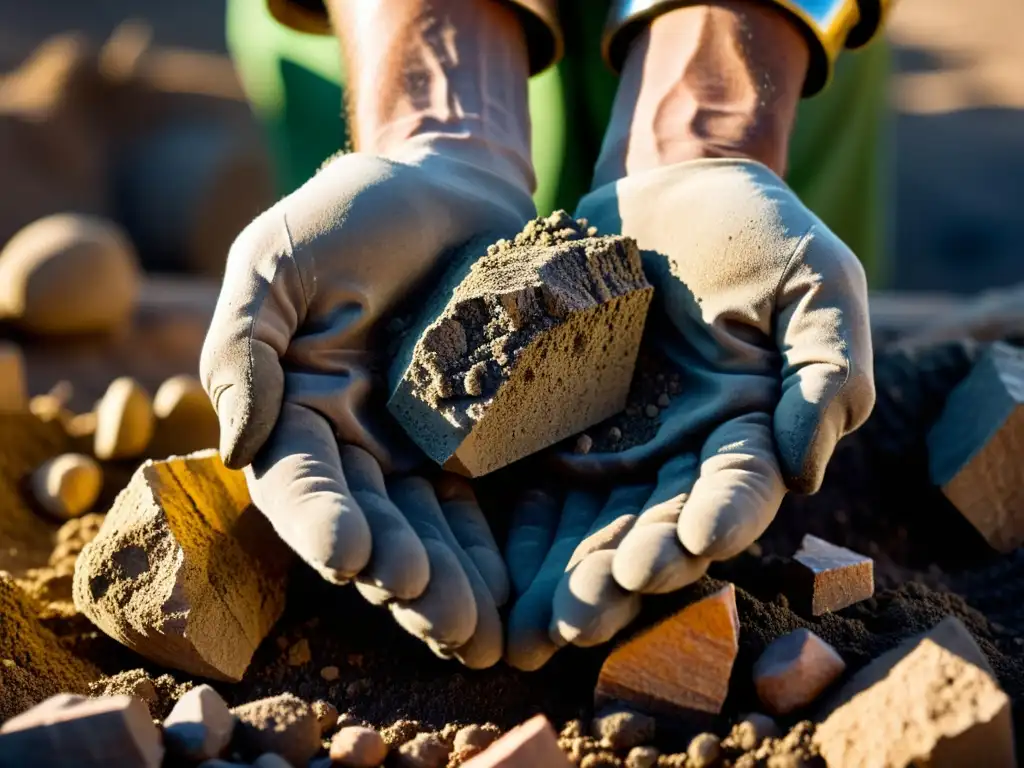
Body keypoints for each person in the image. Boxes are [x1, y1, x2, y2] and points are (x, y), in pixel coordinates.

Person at [201, 0, 884, 670]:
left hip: (757, 28)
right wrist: (432, 120)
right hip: (384, 26)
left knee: (770, 317)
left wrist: (707, 128)